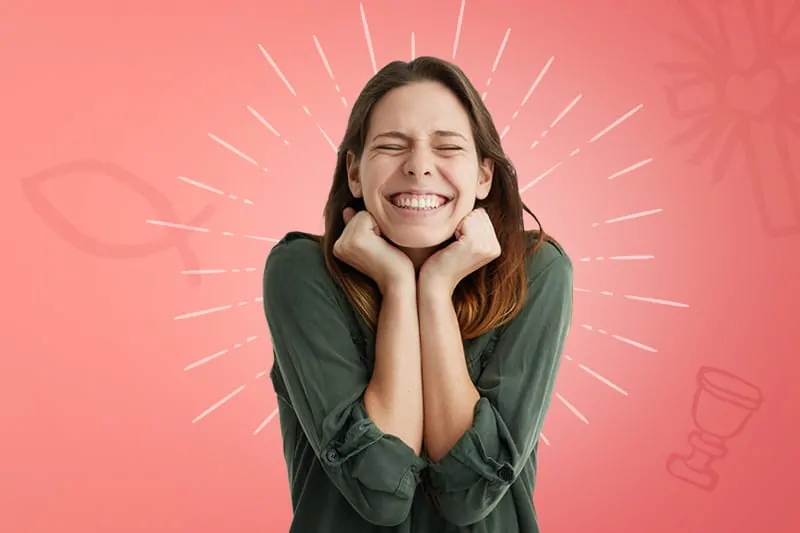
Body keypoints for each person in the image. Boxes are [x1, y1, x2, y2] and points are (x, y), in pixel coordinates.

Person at [262, 56, 573, 532]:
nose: (419, 167)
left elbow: (469, 492)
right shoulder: (301, 273)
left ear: (484, 175)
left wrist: (435, 287)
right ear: (354, 172)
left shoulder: (539, 272)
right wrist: (396, 281)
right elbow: (380, 492)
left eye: (447, 147)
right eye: (391, 145)